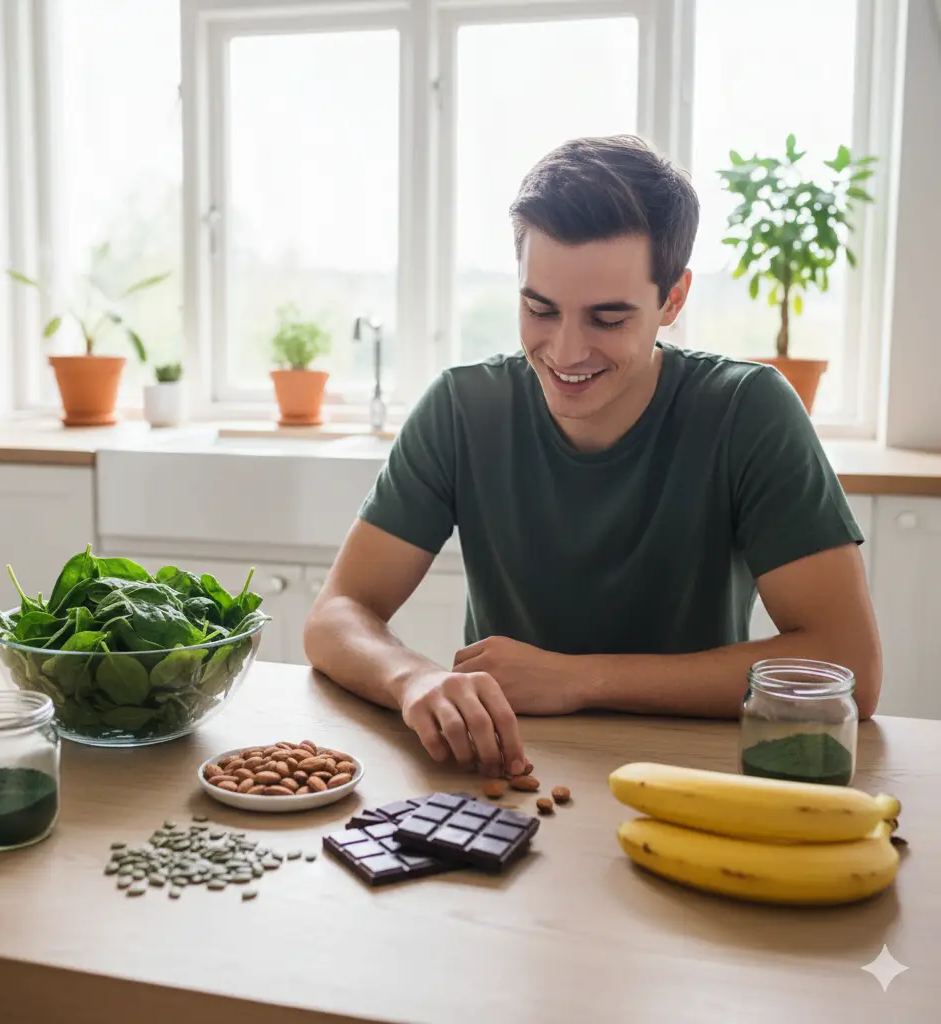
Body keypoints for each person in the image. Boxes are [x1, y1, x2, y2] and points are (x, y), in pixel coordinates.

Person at [303, 134, 882, 778]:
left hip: (692, 772)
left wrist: (578, 680)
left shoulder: (749, 411)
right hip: (512, 775)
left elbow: (850, 664)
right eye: (539, 308)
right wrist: (414, 680)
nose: (566, 352)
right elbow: (336, 614)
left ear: (674, 298)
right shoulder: (463, 409)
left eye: (608, 319)